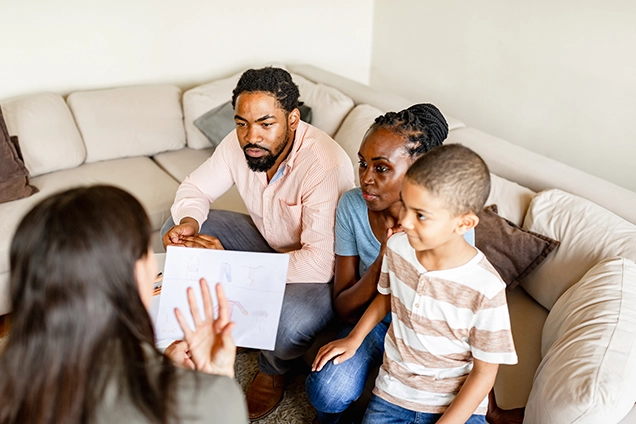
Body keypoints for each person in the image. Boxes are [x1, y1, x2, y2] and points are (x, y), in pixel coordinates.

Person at [161, 66, 354, 420]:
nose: (252, 136)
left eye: (266, 124)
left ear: (293, 119)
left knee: (289, 322)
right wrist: (188, 221)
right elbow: (195, 189)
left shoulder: (324, 164)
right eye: (241, 123)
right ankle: (201, 328)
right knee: (180, 230)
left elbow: (320, 263)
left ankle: (271, 370)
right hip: (267, 244)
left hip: (316, 273)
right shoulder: (238, 144)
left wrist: (230, 268)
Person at [0, 185, 248, 424]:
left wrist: (163, 367)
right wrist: (218, 378)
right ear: (134, 274)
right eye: (146, 250)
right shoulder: (207, 401)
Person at [313, 144, 518, 424]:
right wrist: (354, 338)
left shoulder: (487, 288)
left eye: (420, 215)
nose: (405, 222)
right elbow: (386, 296)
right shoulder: (398, 246)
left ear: (463, 223)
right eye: (406, 207)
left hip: (455, 408)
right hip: (393, 395)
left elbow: (484, 373)